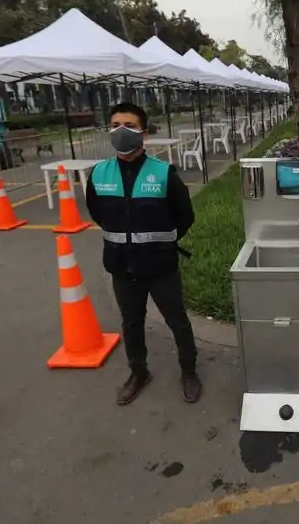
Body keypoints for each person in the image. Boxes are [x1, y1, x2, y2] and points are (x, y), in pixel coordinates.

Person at [85, 102, 202, 406]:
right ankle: (138, 372)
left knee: (177, 320)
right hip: (121, 267)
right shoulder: (98, 174)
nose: (121, 132)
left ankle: (189, 371)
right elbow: (97, 213)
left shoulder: (164, 174)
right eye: (114, 126)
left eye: (129, 126)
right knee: (131, 322)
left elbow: (184, 216)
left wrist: (161, 243)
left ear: (144, 134)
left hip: (161, 266)